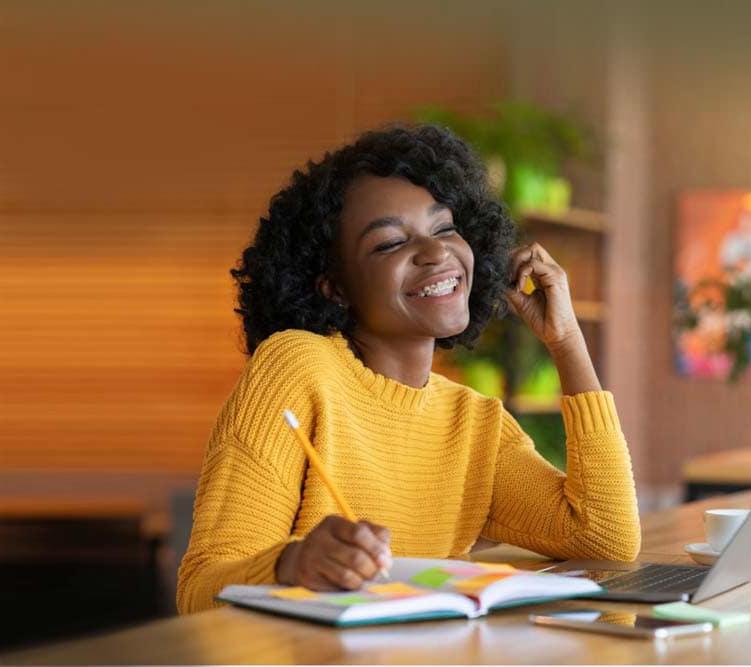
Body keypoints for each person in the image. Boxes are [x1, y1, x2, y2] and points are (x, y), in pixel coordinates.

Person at [176, 125, 640, 614]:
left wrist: (565, 341)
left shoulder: (472, 421)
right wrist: (291, 565)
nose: (437, 252)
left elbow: (603, 538)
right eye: (389, 243)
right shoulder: (298, 367)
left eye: (444, 228)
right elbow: (201, 590)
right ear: (334, 286)